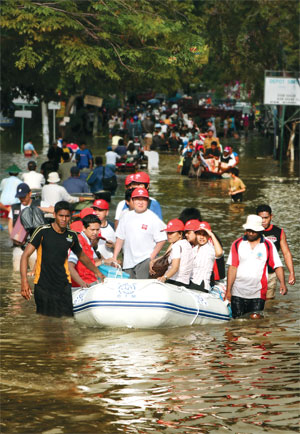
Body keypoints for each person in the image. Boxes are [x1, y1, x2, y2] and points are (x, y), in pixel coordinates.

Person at [20, 201, 104, 317]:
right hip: (43, 285)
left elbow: (82, 257)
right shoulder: (42, 231)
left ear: (70, 217)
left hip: (64, 286)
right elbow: (25, 256)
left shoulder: (72, 235)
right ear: (54, 215)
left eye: (67, 216)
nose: (64, 219)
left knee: (66, 322)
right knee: (45, 322)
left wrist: (97, 272)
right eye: (61, 216)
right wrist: (24, 282)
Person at [225, 215, 287, 319]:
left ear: (259, 230)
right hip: (238, 291)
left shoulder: (268, 245)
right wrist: (228, 290)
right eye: (248, 230)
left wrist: (282, 283)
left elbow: (277, 266)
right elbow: (232, 267)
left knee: (255, 323)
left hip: (258, 293)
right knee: (237, 322)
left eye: (253, 231)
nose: (250, 233)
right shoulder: (237, 244)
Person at [113, 187, 167, 279]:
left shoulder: (153, 218)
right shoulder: (126, 216)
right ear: (132, 200)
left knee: (143, 288)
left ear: (147, 202)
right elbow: (120, 238)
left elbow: (162, 239)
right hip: (128, 261)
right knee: (129, 289)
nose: (140, 202)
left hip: (145, 260)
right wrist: (114, 257)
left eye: (144, 199)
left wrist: (151, 257)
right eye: (137, 199)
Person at [8, 183, 53, 272]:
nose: (22, 199)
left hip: (35, 245)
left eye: (24, 196)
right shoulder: (14, 208)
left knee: (35, 272)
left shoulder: (40, 203)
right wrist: (13, 238)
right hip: (19, 246)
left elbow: (54, 210)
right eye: (20, 197)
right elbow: (10, 224)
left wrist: (38, 209)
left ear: (29, 193)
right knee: (16, 273)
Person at [256, 204, 295, 298]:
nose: (263, 221)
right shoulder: (252, 232)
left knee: (269, 302)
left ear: (271, 216)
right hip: (255, 273)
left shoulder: (278, 232)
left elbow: (286, 253)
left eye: (266, 217)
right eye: (261, 218)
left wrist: (291, 273)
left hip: (271, 273)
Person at [68, 214, 113, 287]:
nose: (95, 233)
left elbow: (95, 262)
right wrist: (82, 284)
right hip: (81, 286)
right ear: (84, 228)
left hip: (91, 282)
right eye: (92, 230)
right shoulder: (78, 242)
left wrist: (110, 262)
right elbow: (69, 266)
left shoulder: (89, 242)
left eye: (97, 230)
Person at [150, 219, 193, 287]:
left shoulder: (176, 246)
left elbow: (175, 267)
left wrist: (164, 278)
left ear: (180, 234)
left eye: (172, 233)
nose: (169, 235)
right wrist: (153, 261)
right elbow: (168, 256)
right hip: (185, 283)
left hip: (174, 281)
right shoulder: (187, 244)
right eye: (168, 233)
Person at [189, 221, 223, 292]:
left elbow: (219, 253)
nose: (202, 237)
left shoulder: (210, 249)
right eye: (199, 234)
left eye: (205, 234)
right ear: (196, 235)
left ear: (208, 236)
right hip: (191, 281)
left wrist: (212, 235)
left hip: (201, 284)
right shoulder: (194, 249)